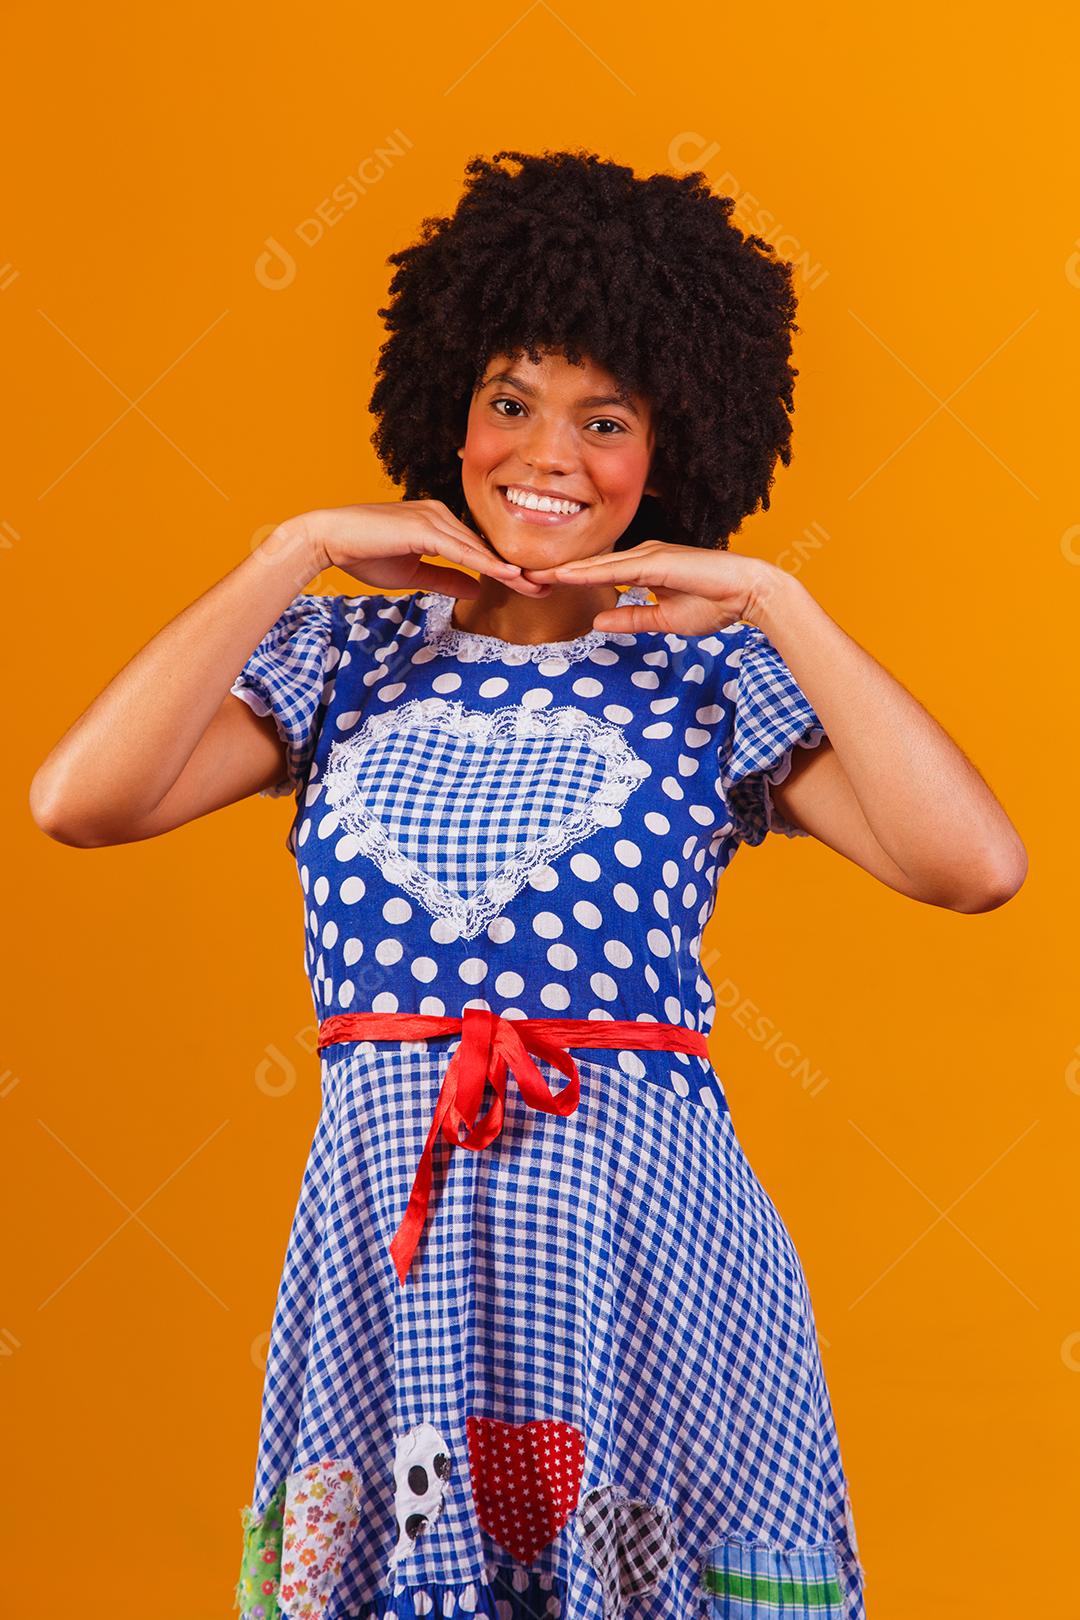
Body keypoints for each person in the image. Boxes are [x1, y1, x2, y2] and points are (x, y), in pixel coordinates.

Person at [29, 148, 1026, 1620]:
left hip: (648, 1240)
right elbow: (77, 800)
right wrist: (290, 550)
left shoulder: (712, 674)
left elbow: (975, 865)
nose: (544, 453)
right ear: (448, 406)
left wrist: (775, 596)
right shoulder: (339, 661)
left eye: (603, 418)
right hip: (395, 1234)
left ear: (674, 441)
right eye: (510, 401)